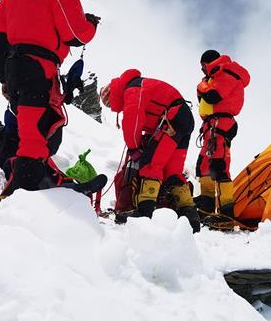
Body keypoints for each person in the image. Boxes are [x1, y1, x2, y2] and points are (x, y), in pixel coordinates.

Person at [0, 0, 99, 196]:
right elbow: (76, 34)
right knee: (36, 128)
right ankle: (27, 187)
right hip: (40, 65)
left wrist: (3, 77)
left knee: (31, 125)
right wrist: (91, 24)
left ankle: (36, 175)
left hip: (13, 64)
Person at [100, 69, 200, 232]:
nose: (113, 107)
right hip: (183, 119)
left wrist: (134, 147)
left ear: (112, 95)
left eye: (110, 103)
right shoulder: (139, 85)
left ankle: (144, 212)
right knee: (172, 171)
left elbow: (132, 120)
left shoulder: (132, 89)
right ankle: (190, 216)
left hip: (172, 118)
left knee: (151, 163)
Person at [194, 50, 250, 219]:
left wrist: (201, 86)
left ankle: (226, 214)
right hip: (211, 125)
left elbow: (212, 96)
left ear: (206, 63)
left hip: (221, 125)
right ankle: (207, 208)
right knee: (204, 166)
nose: (202, 71)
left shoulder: (226, 73)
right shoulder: (214, 77)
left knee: (219, 166)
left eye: (202, 66)